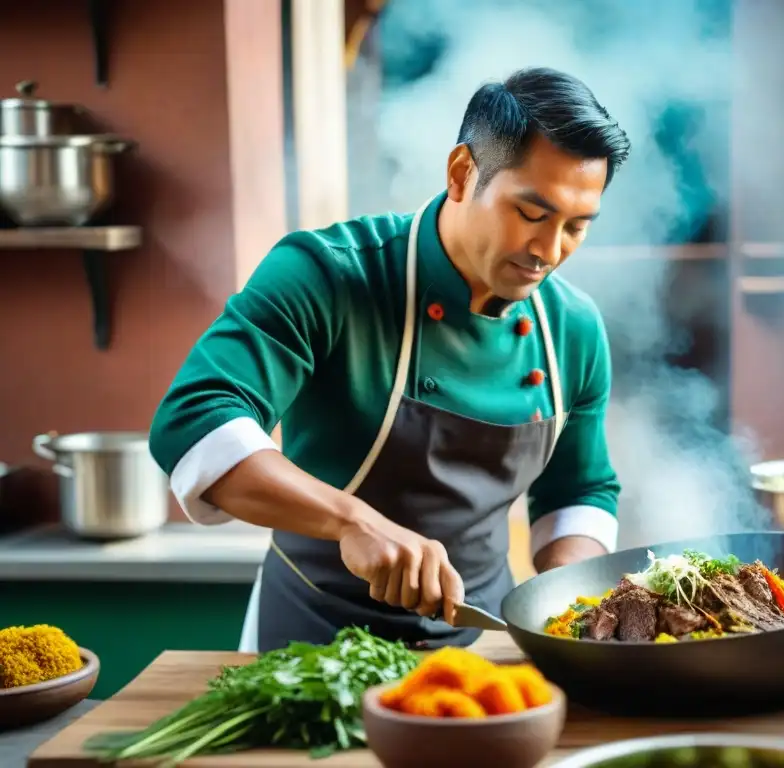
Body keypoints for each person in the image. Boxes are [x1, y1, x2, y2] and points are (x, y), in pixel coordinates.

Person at [148, 66, 632, 653]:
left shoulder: (572, 329)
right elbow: (194, 418)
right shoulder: (327, 274)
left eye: (576, 227)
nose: (549, 252)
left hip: (482, 646)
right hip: (310, 643)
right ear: (461, 174)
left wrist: (570, 608)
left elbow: (578, 490)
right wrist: (352, 521)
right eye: (532, 215)